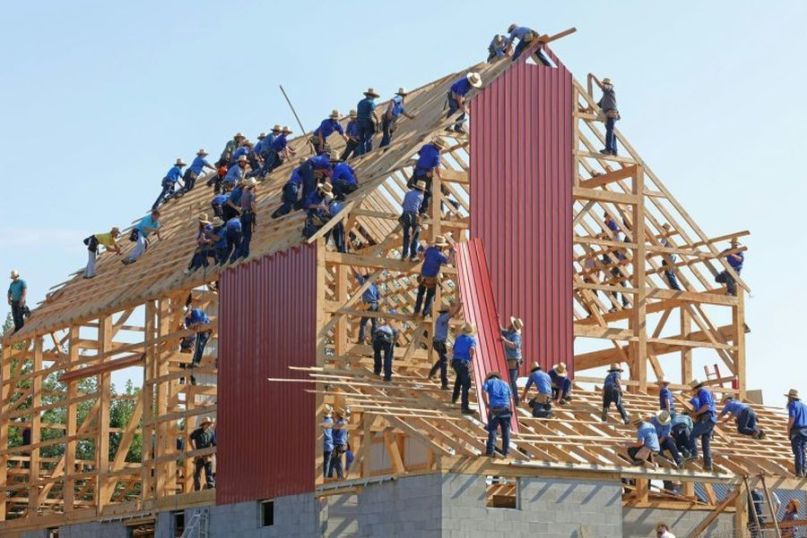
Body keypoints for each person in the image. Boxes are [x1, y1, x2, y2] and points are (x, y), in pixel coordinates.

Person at [413, 235, 455, 317]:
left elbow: (422, 254)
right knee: (430, 296)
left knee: (420, 294)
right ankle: (425, 313)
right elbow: (449, 261)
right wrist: (452, 252)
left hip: (423, 277)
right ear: (441, 247)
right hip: (431, 279)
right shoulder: (440, 255)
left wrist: (428, 245)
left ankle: (416, 310)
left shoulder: (429, 250)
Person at [407, 138, 448, 215]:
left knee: (416, 190)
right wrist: (440, 177)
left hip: (417, 172)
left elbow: (419, 153)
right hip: (424, 175)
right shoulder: (436, 154)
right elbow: (437, 168)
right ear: (439, 147)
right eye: (441, 148)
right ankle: (422, 211)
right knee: (427, 193)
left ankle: (412, 208)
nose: (441, 149)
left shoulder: (426, 146)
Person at [428, 300, 461, 389]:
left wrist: (459, 306)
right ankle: (444, 384)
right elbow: (452, 313)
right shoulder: (444, 317)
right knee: (444, 363)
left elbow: (454, 312)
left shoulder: (441, 318)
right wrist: (459, 305)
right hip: (439, 343)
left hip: (438, 342)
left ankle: (432, 373)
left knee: (442, 360)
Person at [687, 379, 717, 471]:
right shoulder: (705, 392)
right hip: (710, 420)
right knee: (706, 443)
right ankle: (708, 465)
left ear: (696, 388)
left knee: (692, 435)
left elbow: (706, 406)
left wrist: (695, 414)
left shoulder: (703, 392)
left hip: (706, 418)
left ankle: (694, 454)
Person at [482, 372, 512, 457]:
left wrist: (486, 404)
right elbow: (511, 398)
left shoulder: (489, 382)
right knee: (506, 432)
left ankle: (490, 452)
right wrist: (511, 410)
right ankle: (506, 452)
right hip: (506, 409)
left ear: (489, 378)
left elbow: (483, 392)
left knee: (492, 430)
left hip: (495, 410)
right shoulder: (506, 384)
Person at [452, 323, 477, 415]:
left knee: (459, 379)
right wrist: (471, 361)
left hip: (455, 362)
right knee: (466, 385)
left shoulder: (458, 338)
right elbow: (472, 350)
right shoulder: (472, 339)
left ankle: (454, 398)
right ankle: (464, 407)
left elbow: (453, 350)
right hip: (464, 362)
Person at [399, 180, 426, 260]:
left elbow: (403, 204)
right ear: (422, 190)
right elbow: (419, 207)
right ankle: (413, 255)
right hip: (414, 215)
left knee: (406, 236)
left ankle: (404, 254)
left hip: (405, 215)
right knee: (415, 235)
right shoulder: (421, 196)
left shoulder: (408, 193)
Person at [354, 269, 381, 344]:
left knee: (363, 323)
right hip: (376, 305)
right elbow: (379, 297)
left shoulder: (366, 283)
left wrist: (351, 266)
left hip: (369, 305)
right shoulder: (375, 286)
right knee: (375, 323)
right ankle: (374, 340)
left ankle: (361, 340)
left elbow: (357, 275)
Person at [501, 317, 524, 404]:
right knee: (509, 380)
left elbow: (515, 345)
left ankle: (516, 399)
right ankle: (511, 398)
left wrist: (505, 340)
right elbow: (502, 330)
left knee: (512, 380)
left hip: (514, 360)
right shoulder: (510, 332)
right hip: (510, 360)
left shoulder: (516, 335)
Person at [190, 417, 215, 490]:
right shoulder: (197, 432)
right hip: (199, 456)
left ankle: (210, 487)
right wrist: (193, 449)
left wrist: (212, 452)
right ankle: (197, 489)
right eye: (206, 424)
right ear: (203, 424)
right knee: (197, 474)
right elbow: (190, 438)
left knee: (209, 472)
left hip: (207, 456)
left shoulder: (211, 433)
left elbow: (214, 443)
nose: (208, 425)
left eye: (208, 424)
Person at [786, 388, 807, 477]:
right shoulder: (804, 406)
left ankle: (799, 472)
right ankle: (804, 470)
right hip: (805, 430)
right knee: (803, 451)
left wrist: (788, 431)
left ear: (790, 397)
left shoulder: (792, 405)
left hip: (797, 431)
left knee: (798, 451)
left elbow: (792, 419)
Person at [235, 178, 257, 260]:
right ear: (254, 185)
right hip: (248, 215)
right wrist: (255, 213)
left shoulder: (244, 191)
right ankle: (245, 253)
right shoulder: (252, 193)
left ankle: (239, 253)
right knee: (248, 236)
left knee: (244, 235)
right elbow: (252, 204)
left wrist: (242, 210)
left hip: (243, 215)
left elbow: (238, 204)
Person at [597, 78, 620, 156]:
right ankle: (614, 150)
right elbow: (597, 105)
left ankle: (609, 149)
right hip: (608, 115)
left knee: (610, 131)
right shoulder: (605, 96)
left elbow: (602, 86)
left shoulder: (610, 89)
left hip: (611, 114)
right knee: (611, 131)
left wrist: (593, 76)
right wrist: (585, 109)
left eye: (604, 84)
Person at [355, 88, 381, 156]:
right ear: (372, 96)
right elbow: (373, 112)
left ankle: (362, 155)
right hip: (367, 122)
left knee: (361, 140)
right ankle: (368, 153)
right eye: (374, 97)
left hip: (359, 122)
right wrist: (378, 119)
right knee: (368, 138)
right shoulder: (371, 102)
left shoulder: (360, 102)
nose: (374, 98)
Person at [372, 317, 396, 382]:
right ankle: (387, 377)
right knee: (387, 357)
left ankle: (377, 371)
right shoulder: (393, 329)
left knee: (377, 354)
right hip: (387, 338)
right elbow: (394, 340)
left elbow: (373, 336)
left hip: (377, 337)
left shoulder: (379, 327)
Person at [659, 224, 681, 291]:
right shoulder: (668, 236)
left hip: (670, 256)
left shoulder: (665, 236)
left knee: (669, 273)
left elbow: (661, 245)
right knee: (670, 272)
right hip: (671, 256)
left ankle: (676, 288)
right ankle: (675, 287)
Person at [329, 409, 349, 479]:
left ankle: (339, 477)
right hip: (343, 445)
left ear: (337, 415)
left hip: (339, 444)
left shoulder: (339, 423)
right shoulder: (344, 422)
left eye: (334, 414)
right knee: (334, 459)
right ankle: (334, 475)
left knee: (337, 460)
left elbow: (333, 431)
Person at [321, 405, 335, 477]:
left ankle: (322, 477)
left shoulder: (322, 421)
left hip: (322, 444)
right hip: (329, 444)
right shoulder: (331, 420)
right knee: (327, 462)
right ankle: (325, 476)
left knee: (322, 462)